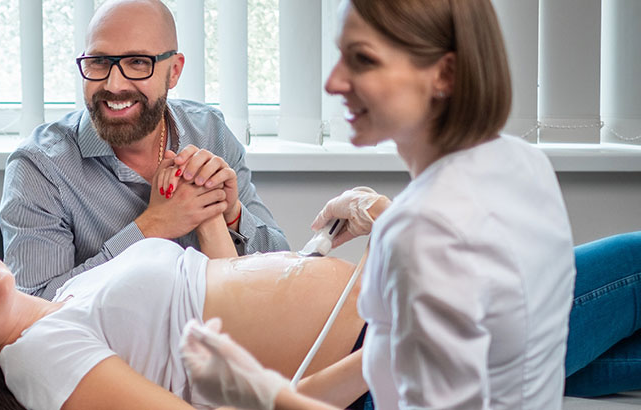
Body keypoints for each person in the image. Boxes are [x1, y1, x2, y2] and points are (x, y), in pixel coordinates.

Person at [179, 0, 641, 409]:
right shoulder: (521, 163)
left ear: (445, 73)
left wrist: (261, 394)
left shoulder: (421, 231)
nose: (334, 81)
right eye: (341, 54)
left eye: (363, 60)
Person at [0, 188, 367, 410]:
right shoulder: (39, 356)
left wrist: (209, 213)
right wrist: (376, 363)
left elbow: (210, 286)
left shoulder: (69, 295)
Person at [0, 0, 288, 300]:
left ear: (174, 71)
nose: (114, 84)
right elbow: (34, 308)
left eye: (137, 62)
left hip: (212, 334)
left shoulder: (210, 131)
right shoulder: (39, 166)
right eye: (98, 61)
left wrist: (232, 215)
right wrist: (151, 227)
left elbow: (285, 271)